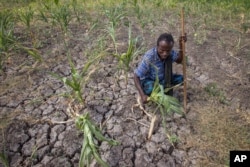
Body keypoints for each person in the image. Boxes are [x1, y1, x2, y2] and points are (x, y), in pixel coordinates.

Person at [134, 33, 187, 104]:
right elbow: (136, 76)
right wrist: (142, 95)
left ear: (171, 48)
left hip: (164, 78)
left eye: (168, 51)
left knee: (182, 80)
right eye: (162, 50)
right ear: (157, 46)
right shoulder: (149, 57)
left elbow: (179, 60)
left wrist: (181, 44)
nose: (165, 53)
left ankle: (164, 87)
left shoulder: (170, 53)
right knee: (150, 88)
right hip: (151, 80)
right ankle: (157, 90)